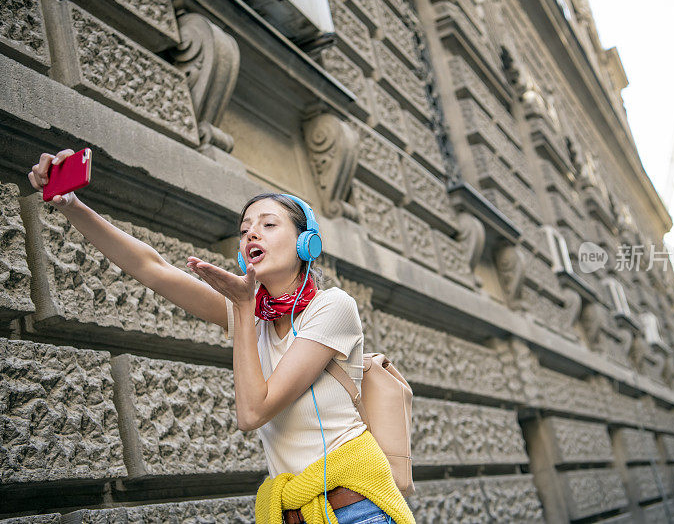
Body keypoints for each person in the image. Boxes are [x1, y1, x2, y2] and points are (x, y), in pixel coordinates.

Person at [28, 149, 414, 524]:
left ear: (305, 243)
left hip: (357, 510)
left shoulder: (333, 308)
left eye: (268, 224)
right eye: (244, 230)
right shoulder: (250, 312)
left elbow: (252, 412)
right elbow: (153, 268)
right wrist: (70, 206)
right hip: (295, 512)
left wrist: (245, 310)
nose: (250, 235)